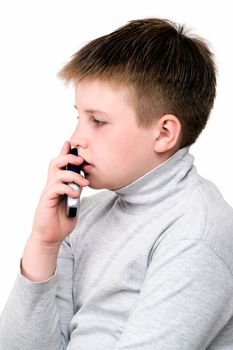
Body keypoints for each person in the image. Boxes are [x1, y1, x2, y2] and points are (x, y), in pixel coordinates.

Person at [1, 17, 233, 350]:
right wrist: (44, 242)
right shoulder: (82, 217)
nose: (76, 138)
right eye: (78, 117)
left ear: (164, 133)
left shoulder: (195, 233)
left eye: (98, 121)